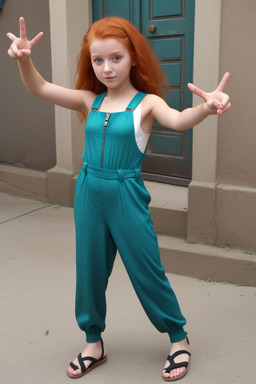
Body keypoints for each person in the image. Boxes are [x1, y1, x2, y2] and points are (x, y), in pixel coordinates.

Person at [7, 16, 230, 382]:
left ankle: (178, 338)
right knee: (89, 269)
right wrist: (23, 60)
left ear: (132, 58)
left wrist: (207, 107)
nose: (107, 68)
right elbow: (40, 88)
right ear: (90, 63)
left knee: (146, 268)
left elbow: (178, 120)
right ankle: (93, 341)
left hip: (126, 192)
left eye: (116, 58)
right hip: (89, 190)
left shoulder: (148, 104)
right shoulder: (88, 100)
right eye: (98, 60)